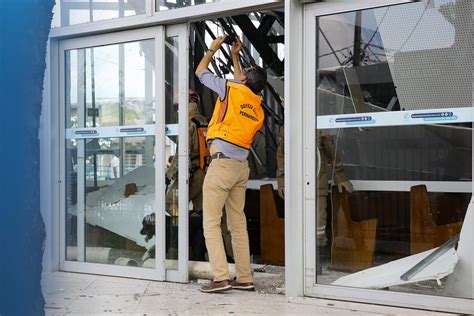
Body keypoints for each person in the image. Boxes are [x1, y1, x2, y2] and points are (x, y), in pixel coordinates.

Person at [195, 35, 267, 293]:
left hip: (222, 165)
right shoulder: (257, 108)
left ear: (244, 80)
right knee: (237, 224)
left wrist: (213, 49)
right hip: (241, 167)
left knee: (211, 222)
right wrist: (236, 57)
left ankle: (221, 277)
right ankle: (245, 278)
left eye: (243, 71)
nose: (240, 73)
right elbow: (242, 87)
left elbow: (201, 72)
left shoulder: (230, 88)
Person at [277, 128, 353, 248]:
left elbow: (332, 153)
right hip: (297, 186)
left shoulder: (320, 128)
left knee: (318, 222)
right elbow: (282, 157)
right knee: (298, 221)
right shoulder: (287, 129)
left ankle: (318, 249)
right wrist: (282, 182)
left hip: (317, 184)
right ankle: (303, 250)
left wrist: (340, 177)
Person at [165, 93, 209, 261]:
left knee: (172, 203)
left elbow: (181, 155)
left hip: (193, 175)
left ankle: (177, 250)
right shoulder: (206, 121)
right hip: (208, 173)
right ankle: (198, 253)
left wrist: (169, 176)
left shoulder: (188, 125)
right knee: (203, 213)